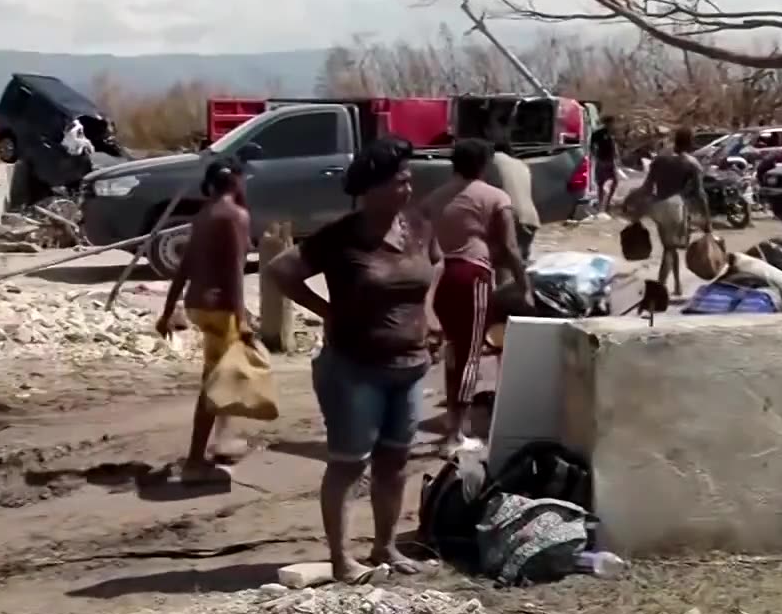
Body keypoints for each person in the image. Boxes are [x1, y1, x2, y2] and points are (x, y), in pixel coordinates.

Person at [267, 138, 439, 583]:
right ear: (373, 188)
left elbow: (430, 272)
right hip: (354, 369)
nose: (408, 186)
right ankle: (342, 559)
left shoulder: (417, 226)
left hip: (411, 366)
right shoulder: (341, 237)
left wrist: (430, 320)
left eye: (408, 179)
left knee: (395, 461)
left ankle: (385, 547)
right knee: (349, 462)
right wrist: (327, 311)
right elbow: (281, 271)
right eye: (399, 180)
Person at [156, 158, 252, 481]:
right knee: (215, 383)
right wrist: (243, 319)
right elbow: (235, 273)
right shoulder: (237, 216)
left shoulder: (203, 215)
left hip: (197, 305)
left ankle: (223, 443)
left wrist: (168, 309)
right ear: (236, 181)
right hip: (221, 308)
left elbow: (184, 266)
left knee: (226, 374)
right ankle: (195, 462)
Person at [424, 138, 523, 440]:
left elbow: (427, 247)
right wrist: (524, 284)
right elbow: (509, 246)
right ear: (483, 164)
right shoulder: (495, 197)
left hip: (442, 277)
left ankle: (452, 421)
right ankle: (456, 433)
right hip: (473, 276)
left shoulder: (434, 198)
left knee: (454, 349)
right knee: (470, 355)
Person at [642, 127, 709, 296]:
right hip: (675, 205)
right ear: (690, 142)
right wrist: (707, 219)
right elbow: (700, 193)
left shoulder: (660, 159)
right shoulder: (691, 163)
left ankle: (677, 285)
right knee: (670, 249)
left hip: (657, 205)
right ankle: (659, 288)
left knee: (669, 246)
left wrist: (639, 208)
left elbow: (647, 186)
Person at [485, 139, 539, 262]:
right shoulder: (521, 164)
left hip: (509, 216)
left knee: (503, 264)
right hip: (531, 218)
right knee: (521, 261)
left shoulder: (490, 162)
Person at [591, 116, 622, 215]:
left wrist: (617, 156)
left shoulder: (613, 132)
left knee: (615, 181)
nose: (613, 125)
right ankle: (601, 205)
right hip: (602, 159)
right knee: (600, 183)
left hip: (611, 160)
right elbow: (591, 144)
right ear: (607, 123)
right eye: (611, 123)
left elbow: (614, 145)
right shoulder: (599, 133)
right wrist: (595, 155)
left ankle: (607, 203)